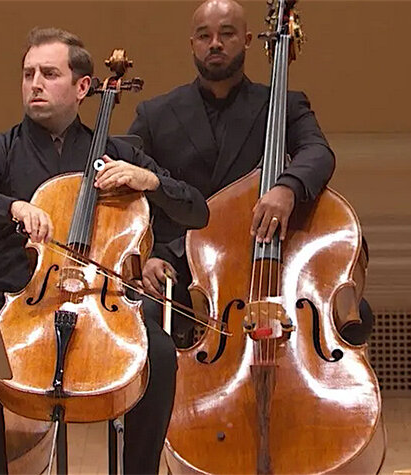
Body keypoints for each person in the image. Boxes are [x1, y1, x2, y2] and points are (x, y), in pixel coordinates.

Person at [0, 27, 209, 475]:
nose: (35, 84)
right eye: (28, 74)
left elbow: (197, 211)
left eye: (48, 74)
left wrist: (152, 183)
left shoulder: (118, 154)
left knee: (158, 354)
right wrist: (14, 206)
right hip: (18, 303)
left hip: (101, 303)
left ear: (83, 87)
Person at [129, 0, 375, 346]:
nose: (215, 43)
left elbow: (317, 152)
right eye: (205, 35)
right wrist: (149, 254)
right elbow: (129, 190)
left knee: (354, 313)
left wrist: (286, 188)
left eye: (226, 34)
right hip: (186, 266)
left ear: (246, 40)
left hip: (265, 256)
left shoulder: (282, 103)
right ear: (192, 44)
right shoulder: (156, 115)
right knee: (143, 320)